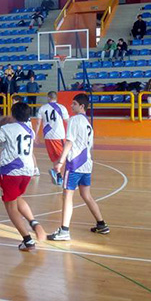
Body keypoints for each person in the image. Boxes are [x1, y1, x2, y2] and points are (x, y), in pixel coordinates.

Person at [47, 94, 109, 241]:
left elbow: (69, 142)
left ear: (82, 106)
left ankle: (64, 231)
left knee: (67, 196)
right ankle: (101, 224)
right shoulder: (88, 123)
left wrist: (60, 162)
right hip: (87, 163)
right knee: (86, 195)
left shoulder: (74, 120)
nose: (71, 106)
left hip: (75, 163)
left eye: (74, 104)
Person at [0, 102, 48, 251]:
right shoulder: (30, 129)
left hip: (11, 171)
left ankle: (27, 240)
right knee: (18, 198)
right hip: (27, 171)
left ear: (13, 114)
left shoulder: (7, 128)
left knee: (10, 207)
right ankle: (34, 222)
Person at [36, 91, 69, 186]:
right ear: (56, 98)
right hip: (59, 136)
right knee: (63, 157)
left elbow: (38, 122)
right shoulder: (62, 108)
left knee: (54, 157)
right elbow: (67, 121)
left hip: (47, 136)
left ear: (48, 98)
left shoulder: (42, 108)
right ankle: (60, 175)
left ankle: (58, 177)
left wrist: (36, 135)